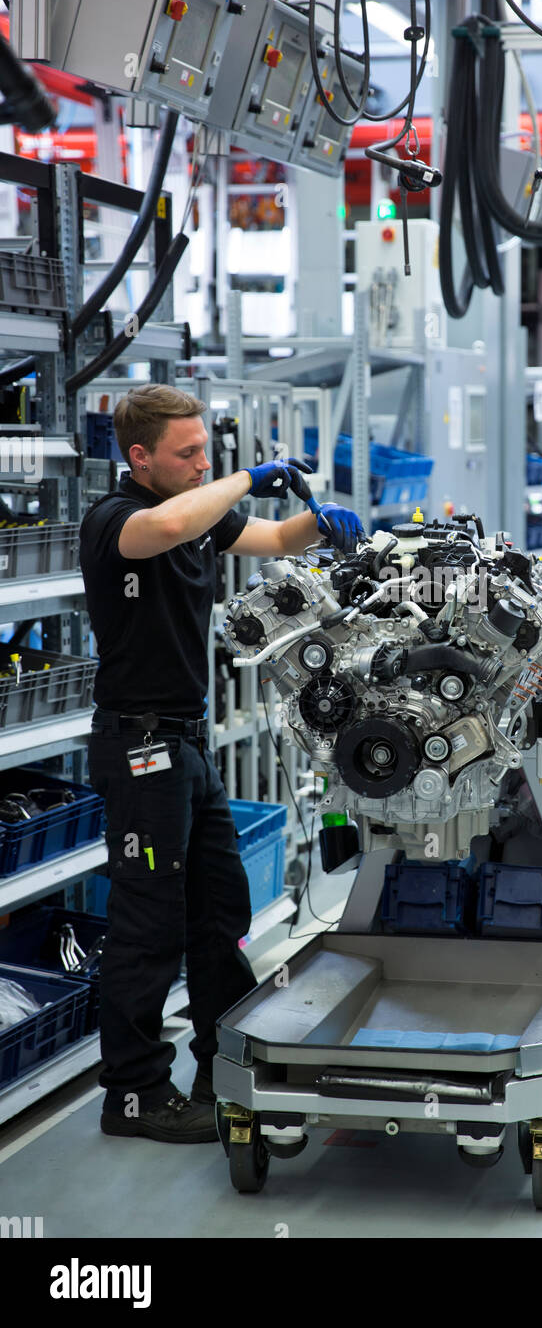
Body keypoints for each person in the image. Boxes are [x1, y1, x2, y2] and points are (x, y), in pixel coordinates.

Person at [79, 383, 363, 1142]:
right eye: (187, 453)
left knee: (220, 916)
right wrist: (243, 475)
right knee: (148, 926)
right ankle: (133, 1097)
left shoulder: (200, 510)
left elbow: (270, 540)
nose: (203, 463)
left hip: (187, 746)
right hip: (140, 749)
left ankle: (220, 1066)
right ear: (139, 458)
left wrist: (324, 524)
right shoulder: (116, 521)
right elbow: (169, 524)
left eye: (207, 449)